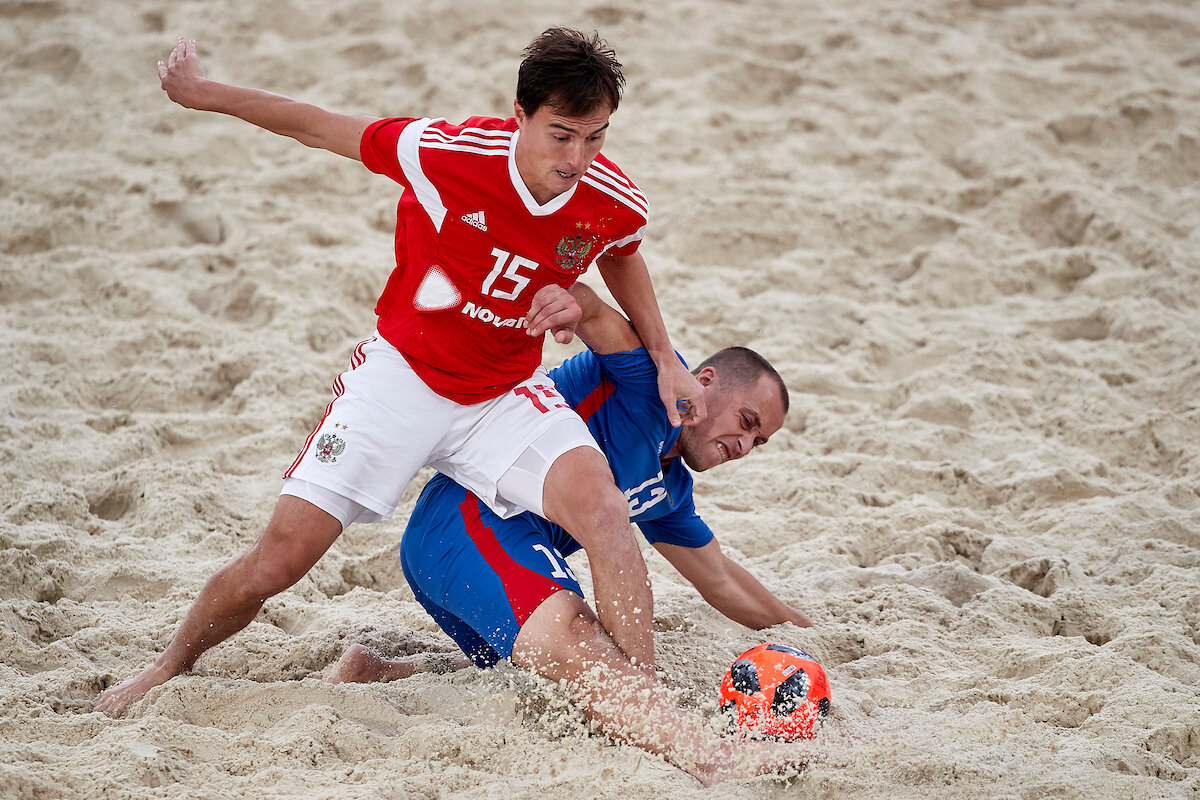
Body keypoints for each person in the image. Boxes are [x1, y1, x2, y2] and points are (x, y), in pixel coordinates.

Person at [97, 29, 703, 716]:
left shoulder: (612, 193)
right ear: (519, 113)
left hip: (502, 392)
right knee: (278, 562)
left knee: (604, 509)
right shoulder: (446, 152)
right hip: (403, 379)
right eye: (562, 136)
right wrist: (203, 93)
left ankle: (643, 701)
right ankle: (166, 665)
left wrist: (664, 358)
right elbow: (318, 126)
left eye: (595, 138)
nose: (578, 158)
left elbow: (620, 251)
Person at [325, 282, 814, 784]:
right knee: (591, 649)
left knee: (556, 687)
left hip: (481, 558)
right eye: (747, 421)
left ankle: (380, 674)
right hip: (471, 519)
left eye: (760, 440)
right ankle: (713, 761)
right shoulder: (652, 380)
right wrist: (572, 303)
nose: (746, 445)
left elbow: (721, 580)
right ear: (704, 381)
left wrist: (807, 639)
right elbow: (596, 311)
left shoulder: (670, 487)